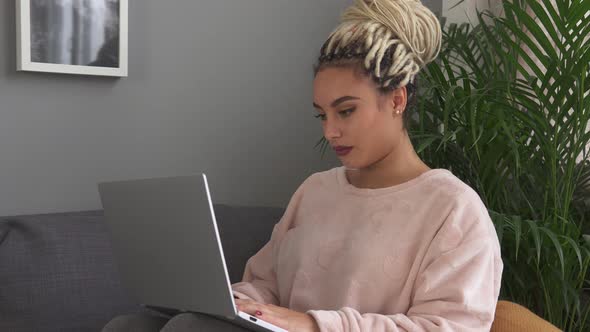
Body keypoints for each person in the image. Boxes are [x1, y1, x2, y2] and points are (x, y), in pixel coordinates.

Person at [102, 0, 503, 331]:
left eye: (345, 111)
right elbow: (266, 283)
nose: (330, 131)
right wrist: (240, 304)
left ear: (396, 99)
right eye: (321, 115)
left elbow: (447, 328)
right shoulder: (317, 190)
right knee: (128, 327)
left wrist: (315, 325)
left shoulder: (453, 210)